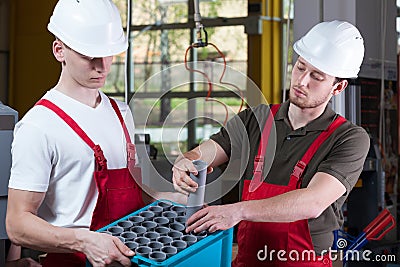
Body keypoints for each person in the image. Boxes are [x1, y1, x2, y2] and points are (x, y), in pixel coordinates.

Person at [172, 20, 369, 266]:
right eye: (300, 67)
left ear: (338, 87)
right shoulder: (255, 119)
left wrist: (237, 211)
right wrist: (185, 161)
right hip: (249, 259)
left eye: (316, 77)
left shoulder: (349, 138)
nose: (302, 81)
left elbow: (313, 202)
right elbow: (205, 153)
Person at [6, 1, 184, 267]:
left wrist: (174, 201)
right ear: (59, 51)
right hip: (75, 261)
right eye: (90, 56)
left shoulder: (121, 113)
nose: (102, 66)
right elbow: (17, 223)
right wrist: (83, 241)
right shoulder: (39, 126)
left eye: (109, 54)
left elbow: (132, 190)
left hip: (134, 258)